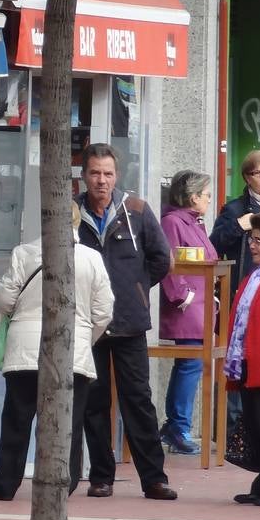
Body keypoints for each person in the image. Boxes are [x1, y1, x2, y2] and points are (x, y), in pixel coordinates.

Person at [0, 202, 114, 501]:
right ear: (76, 223)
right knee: (67, 421)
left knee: (17, 419)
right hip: (74, 352)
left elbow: (4, 300)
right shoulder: (92, 258)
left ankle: (6, 484)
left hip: (24, 351)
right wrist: (84, 337)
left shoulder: (24, 253)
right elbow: (104, 311)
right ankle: (64, 484)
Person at [76, 143, 177, 500]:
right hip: (89, 325)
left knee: (138, 399)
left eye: (107, 173)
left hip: (129, 321)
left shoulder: (135, 209)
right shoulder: (72, 212)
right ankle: (101, 476)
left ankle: (154, 478)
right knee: (94, 401)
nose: (101, 180)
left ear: (116, 176)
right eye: (94, 173)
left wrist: (136, 288)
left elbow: (161, 258)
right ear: (83, 175)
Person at [158, 171, 218, 456]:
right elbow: (167, 260)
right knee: (190, 364)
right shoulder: (173, 222)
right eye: (207, 195)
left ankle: (176, 425)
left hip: (202, 307)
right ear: (193, 197)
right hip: (188, 308)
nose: (209, 199)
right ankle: (177, 426)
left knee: (191, 365)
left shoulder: (195, 223)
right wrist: (184, 297)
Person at [224, 211, 260, 506]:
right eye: (252, 239)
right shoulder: (254, 275)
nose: (253, 245)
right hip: (249, 362)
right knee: (254, 423)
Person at [211, 149, 260, 293]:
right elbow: (213, 246)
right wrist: (238, 226)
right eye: (257, 173)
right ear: (247, 178)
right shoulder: (235, 209)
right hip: (249, 288)